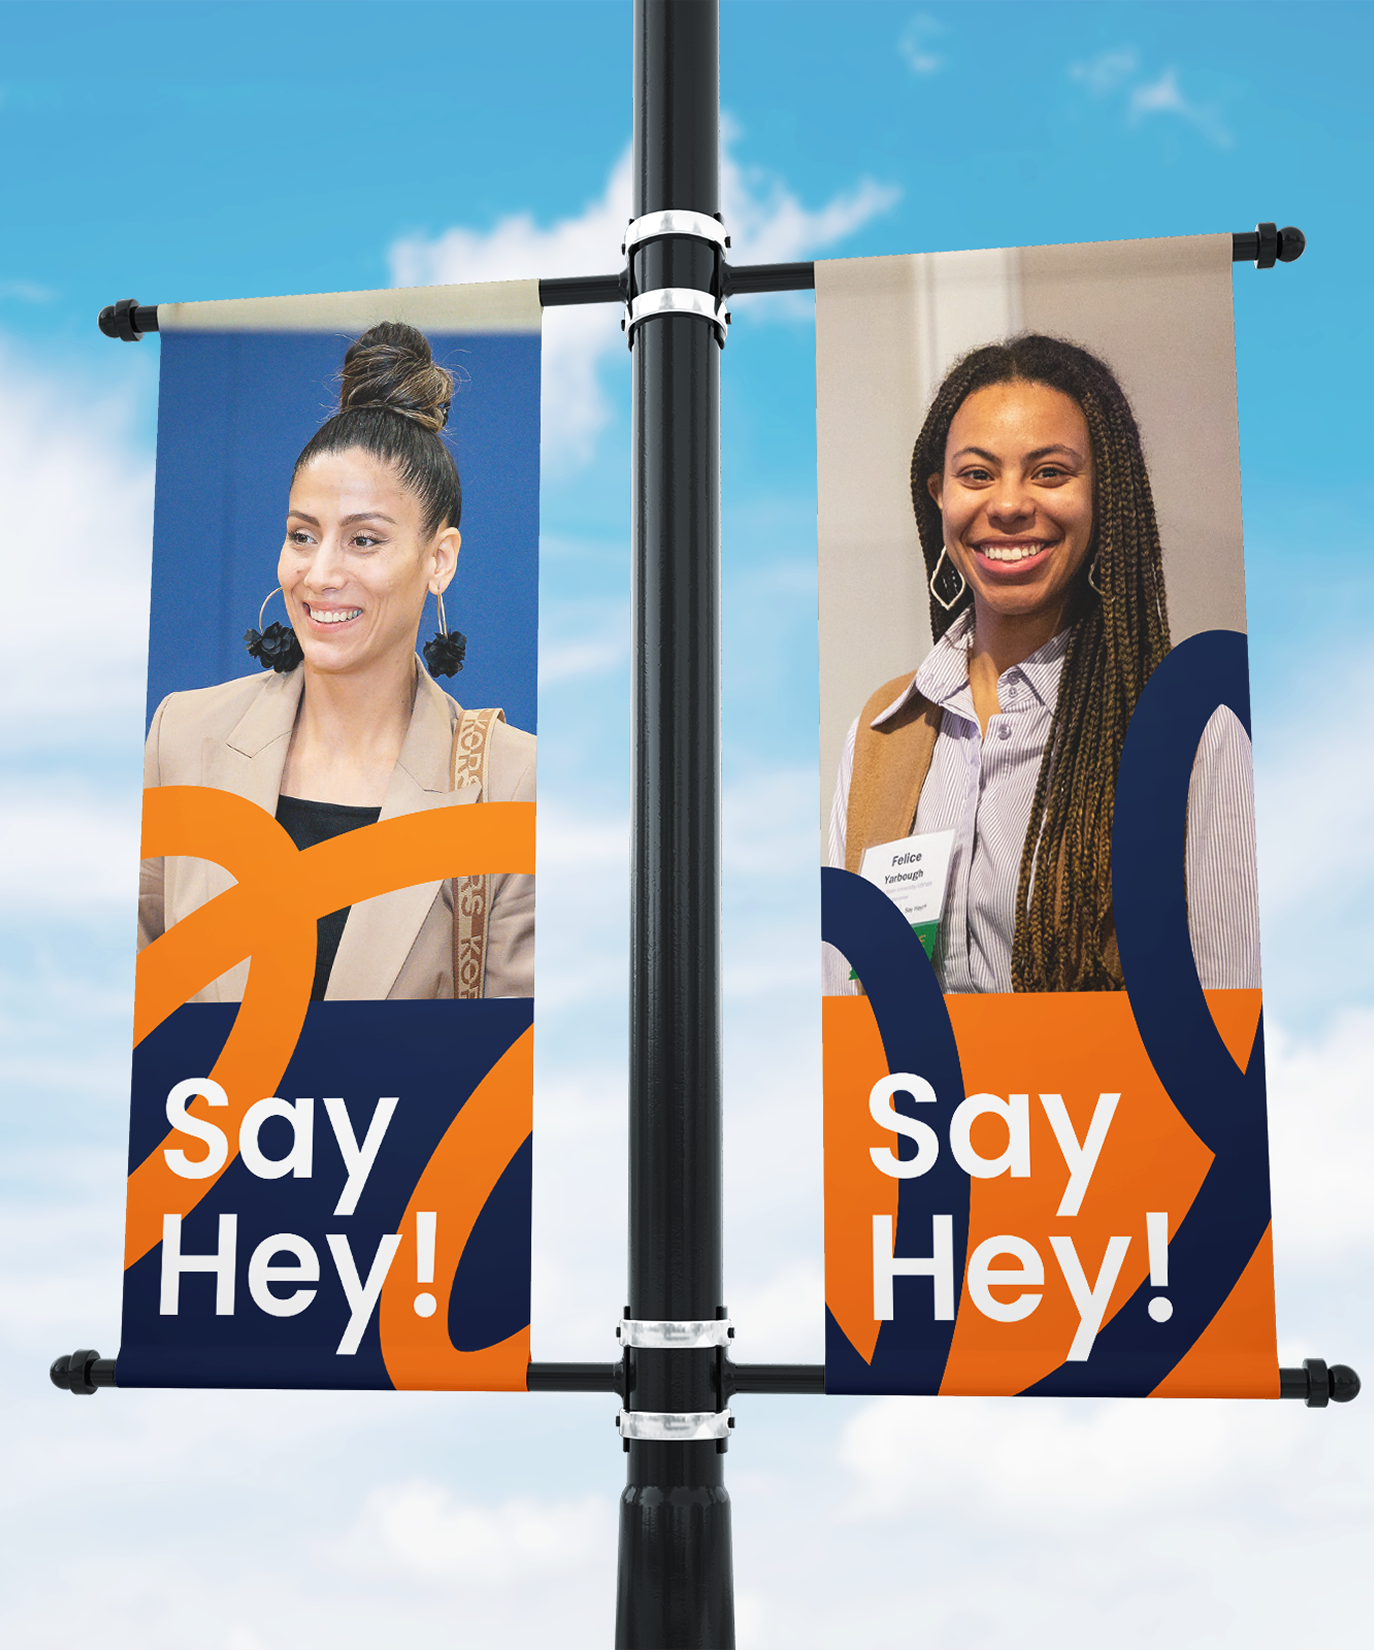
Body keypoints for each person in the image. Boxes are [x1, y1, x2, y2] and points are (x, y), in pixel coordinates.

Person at [826, 333, 1258, 994]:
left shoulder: (1190, 733)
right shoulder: (882, 735)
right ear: (939, 494)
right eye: (977, 474)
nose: (1007, 505)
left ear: (1104, 493)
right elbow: (841, 1013)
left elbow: (1227, 1021)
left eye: (1050, 472)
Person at [139, 321, 535, 1001]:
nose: (320, 574)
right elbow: (134, 1012)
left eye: (363, 540)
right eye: (303, 535)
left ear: (439, 559)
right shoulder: (183, 736)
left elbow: (514, 1055)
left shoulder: (512, 782)